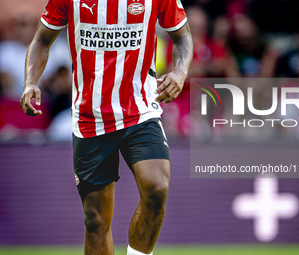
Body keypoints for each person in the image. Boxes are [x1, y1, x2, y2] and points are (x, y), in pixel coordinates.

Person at [20, 0, 193, 254]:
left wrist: (180, 71)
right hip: (91, 117)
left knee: (157, 187)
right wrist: (30, 81)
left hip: (140, 110)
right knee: (96, 219)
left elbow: (182, 37)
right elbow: (41, 41)